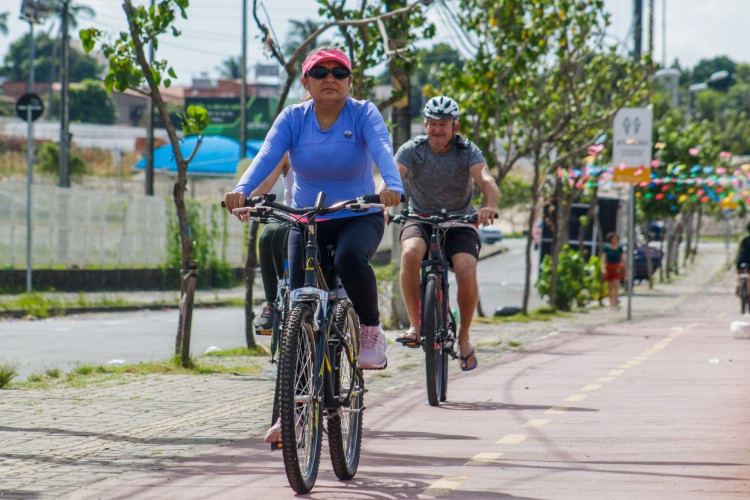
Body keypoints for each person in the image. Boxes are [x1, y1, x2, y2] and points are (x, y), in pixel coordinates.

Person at [224, 46, 403, 372]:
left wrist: (392, 186)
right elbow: (265, 157)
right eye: (320, 73)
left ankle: (371, 331)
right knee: (297, 304)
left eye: (339, 73)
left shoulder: (363, 113)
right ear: (306, 82)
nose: (330, 79)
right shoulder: (293, 118)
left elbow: (382, 149)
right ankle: (291, 409)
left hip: (358, 215)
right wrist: (241, 190)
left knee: (349, 258)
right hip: (307, 220)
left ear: (350, 80)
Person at [386, 95, 499, 372]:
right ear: (425, 125)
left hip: (459, 221)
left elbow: (485, 178)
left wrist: (490, 205)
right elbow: (392, 176)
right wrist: (384, 203)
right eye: (433, 124)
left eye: (444, 124)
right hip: (420, 219)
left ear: (455, 127)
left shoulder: (466, 150)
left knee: (466, 267)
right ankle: (415, 325)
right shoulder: (413, 149)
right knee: (411, 253)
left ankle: (463, 339)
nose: (438, 129)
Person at [602, 231, 627, 310]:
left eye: (616, 238)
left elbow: (623, 259)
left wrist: (626, 270)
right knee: (610, 287)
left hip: (617, 267)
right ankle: (611, 304)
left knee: (616, 286)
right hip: (609, 267)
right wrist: (603, 269)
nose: (615, 240)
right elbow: (603, 260)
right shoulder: (606, 249)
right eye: (613, 238)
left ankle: (615, 303)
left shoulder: (619, 249)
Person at [735, 222, 750, 296]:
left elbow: (739, 252)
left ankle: (739, 284)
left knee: (739, 272)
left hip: (741, 261)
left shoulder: (744, 240)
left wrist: (736, 260)